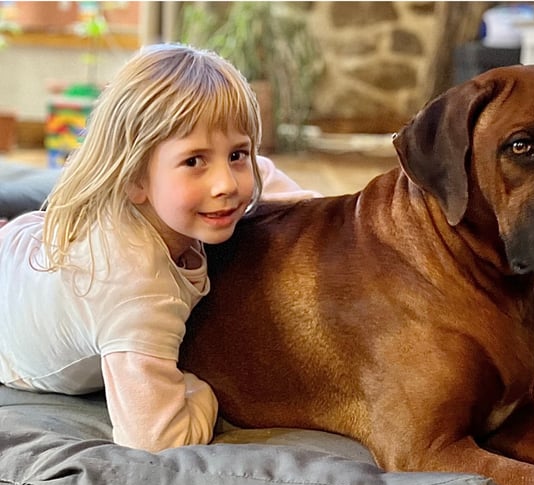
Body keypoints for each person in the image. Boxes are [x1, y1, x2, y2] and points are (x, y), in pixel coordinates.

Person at [0, 43, 317, 452]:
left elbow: (272, 183)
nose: (226, 183)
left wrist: (320, 213)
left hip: (26, 250)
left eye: (237, 154)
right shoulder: (137, 291)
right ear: (134, 180)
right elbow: (154, 440)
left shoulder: (184, 193)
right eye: (194, 161)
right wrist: (202, 391)